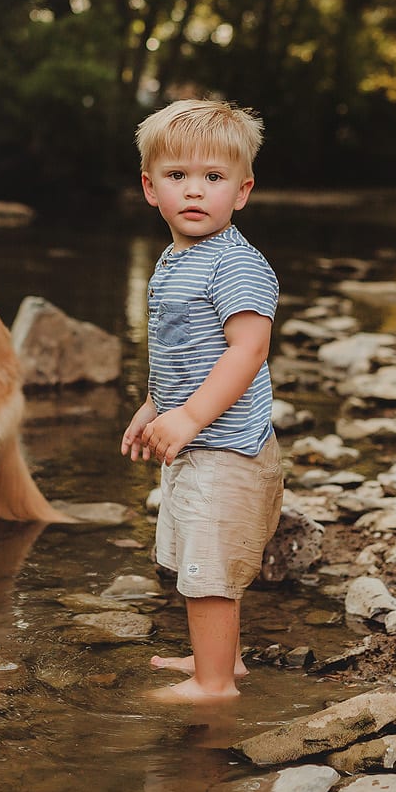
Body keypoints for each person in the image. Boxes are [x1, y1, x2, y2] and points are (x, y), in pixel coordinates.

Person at [120, 98, 283, 702]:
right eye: (177, 175)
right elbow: (181, 350)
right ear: (150, 188)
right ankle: (223, 659)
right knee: (200, 555)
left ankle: (213, 685)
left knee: (209, 571)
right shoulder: (176, 260)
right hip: (203, 441)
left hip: (228, 450)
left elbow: (249, 349)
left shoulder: (235, 264)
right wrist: (154, 405)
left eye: (213, 177)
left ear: (242, 192)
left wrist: (189, 415)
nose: (195, 190)